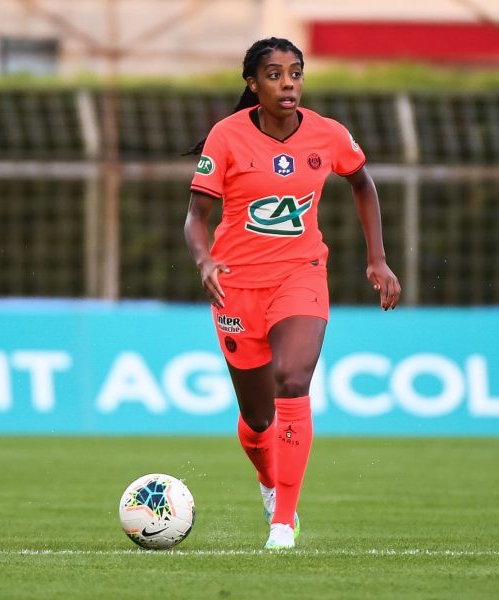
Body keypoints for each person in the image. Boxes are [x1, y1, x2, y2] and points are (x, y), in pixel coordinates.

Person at [183, 37, 401, 550]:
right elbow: (196, 216)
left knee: (293, 378)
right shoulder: (227, 136)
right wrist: (205, 259)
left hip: (300, 273)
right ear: (253, 84)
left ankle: (283, 523)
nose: (288, 83)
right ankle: (267, 481)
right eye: (275, 74)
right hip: (235, 286)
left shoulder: (328, 134)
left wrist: (377, 258)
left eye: (296, 73)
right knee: (257, 420)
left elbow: (362, 182)